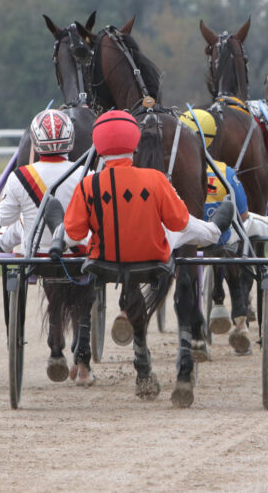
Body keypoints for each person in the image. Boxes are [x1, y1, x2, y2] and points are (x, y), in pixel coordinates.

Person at [63, 110, 234, 397]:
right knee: (190, 230)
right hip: (154, 257)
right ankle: (215, 230)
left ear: (99, 148)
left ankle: (141, 360)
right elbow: (179, 222)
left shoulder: (87, 185)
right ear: (135, 145)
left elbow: (74, 234)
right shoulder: (155, 179)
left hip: (103, 262)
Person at [180, 109, 268, 354]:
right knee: (253, 224)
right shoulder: (226, 173)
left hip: (185, 240)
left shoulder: (172, 176)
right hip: (222, 238)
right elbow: (243, 216)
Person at [0, 109, 93, 386]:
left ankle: (55, 350)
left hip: (35, 257)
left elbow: (3, 218)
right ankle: (82, 356)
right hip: (78, 256)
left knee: (12, 232)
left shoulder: (19, 177)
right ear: (70, 141)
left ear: (36, 143)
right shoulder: (87, 175)